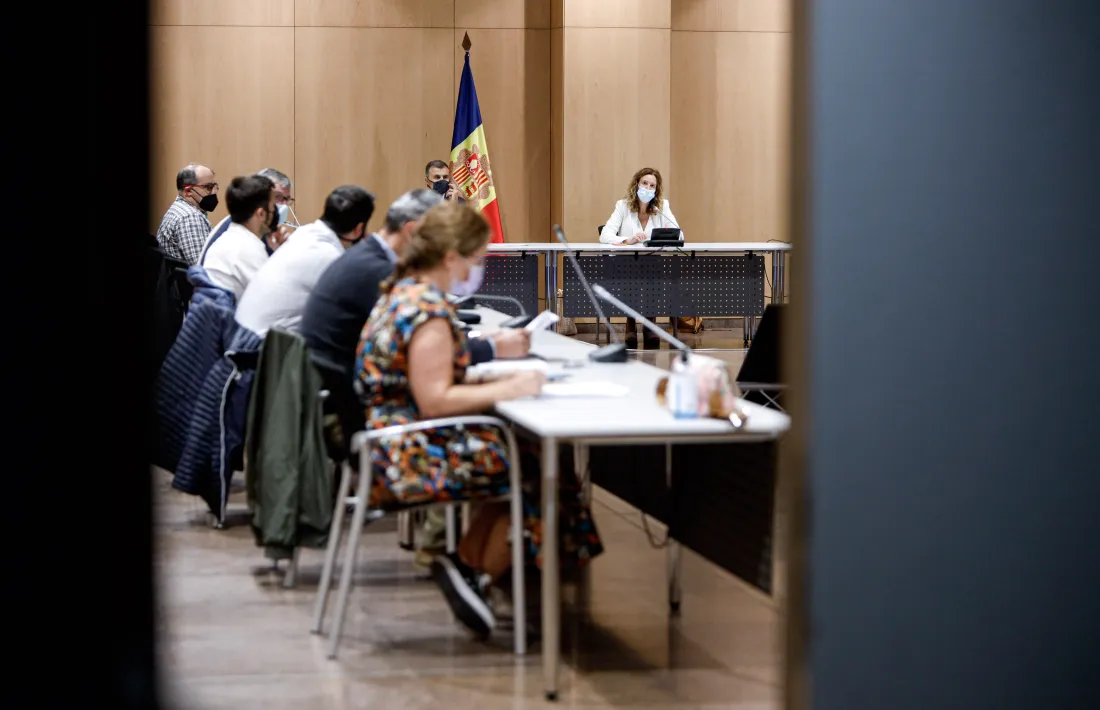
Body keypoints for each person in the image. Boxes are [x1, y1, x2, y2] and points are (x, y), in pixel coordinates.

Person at [356, 201, 603, 639]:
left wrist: (488, 377)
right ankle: (475, 570)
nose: (478, 267)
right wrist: (509, 388)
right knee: (542, 469)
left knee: (528, 457)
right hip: (406, 452)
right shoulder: (427, 309)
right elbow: (434, 400)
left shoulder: (403, 291)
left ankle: (468, 569)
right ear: (451, 257)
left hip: (389, 436)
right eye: (476, 259)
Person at [235, 185, 376, 338]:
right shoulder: (330, 258)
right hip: (260, 353)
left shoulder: (303, 234)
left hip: (244, 341)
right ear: (358, 230)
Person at [599, 167, 684, 348]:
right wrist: (627, 240)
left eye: (652, 185)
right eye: (644, 183)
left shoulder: (662, 207)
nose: (647, 187)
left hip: (653, 263)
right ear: (636, 184)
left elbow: (679, 235)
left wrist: (658, 238)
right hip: (625, 263)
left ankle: (649, 324)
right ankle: (631, 324)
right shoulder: (622, 206)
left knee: (653, 272)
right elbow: (605, 235)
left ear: (656, 190)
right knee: (634, 277)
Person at [202, 175, 278, 301]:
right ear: (261, 214)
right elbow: (273, 301)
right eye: (272, 206)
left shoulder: (227, 239)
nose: (275, 211)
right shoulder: (249, 250)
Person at [202, 167, 297, 262]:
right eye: (277, 197)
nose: (284, 205)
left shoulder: (249, 228)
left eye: (287, 199)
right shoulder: (243, 244)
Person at [156, 163, 218, 265]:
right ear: (188, 191)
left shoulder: (180, 209)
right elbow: (202, 267)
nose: (214, 192)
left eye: (215, 186)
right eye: (208, 187)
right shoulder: (190, 218)